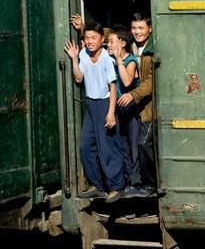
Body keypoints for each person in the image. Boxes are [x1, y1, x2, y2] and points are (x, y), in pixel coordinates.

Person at [64, 21, 125, 203]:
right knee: (85, 146)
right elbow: (78, 78)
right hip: (91, 104)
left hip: (106, 103)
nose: (90, 41)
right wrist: (75, 59)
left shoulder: (107, 58)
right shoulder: (83, 53)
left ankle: (116, 186)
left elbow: (112, 87)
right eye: (87, 38)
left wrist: (111, 112)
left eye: (93, 38)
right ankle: (96, 185)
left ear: (101, 40)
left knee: (108, 147)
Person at [117, 13, 156, 196]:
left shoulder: (152, 50)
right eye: (134, 28)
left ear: (150, 28)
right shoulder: (133, 47)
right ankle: (140, 182)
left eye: (141, 28)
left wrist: (133, 94)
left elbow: (151, 81)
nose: (137, 32)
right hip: (139, 108)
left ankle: (150, 185)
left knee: (143, 144)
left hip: (150, 107)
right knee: (133, 144)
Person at [107, 25, 144, 198]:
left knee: (133, 146)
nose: (109, 45)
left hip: (132, 110)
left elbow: (127, 81)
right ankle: (127, 181)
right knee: (122, 146)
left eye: (112, 42)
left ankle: (136, 182)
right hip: (118, 110)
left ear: (122, 43)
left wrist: (118, 60)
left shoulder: (130, 61)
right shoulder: (111, 60)